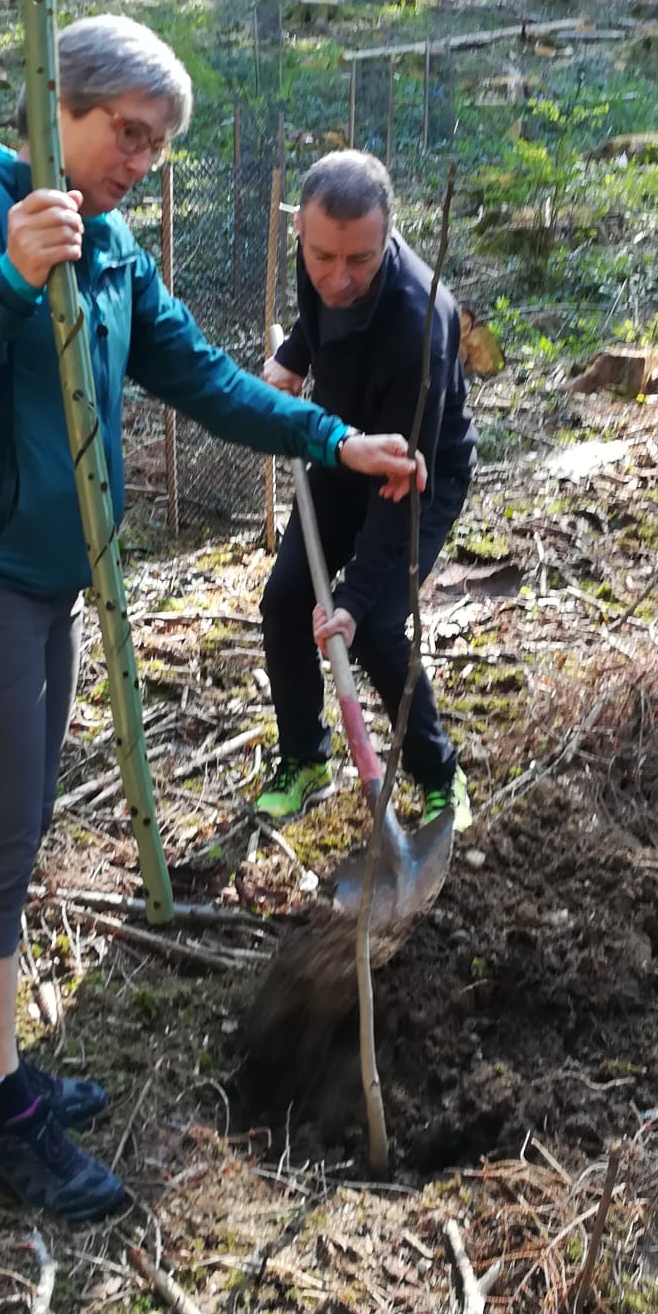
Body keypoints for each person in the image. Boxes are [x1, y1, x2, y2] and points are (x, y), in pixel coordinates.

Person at [0, 18, 424, 1219]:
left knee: (17, 818)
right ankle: (2, 1114)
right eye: (128, 133)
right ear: (58, 104)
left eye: (157, 148)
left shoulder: (110, 250)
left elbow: (208, 380)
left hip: (34, 586)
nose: (139, 164)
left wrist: (333, 438)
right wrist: (7, 277)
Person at [257, 149, 477, 831]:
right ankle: (305, 760)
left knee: (378, 625)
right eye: (323, 257)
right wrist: (294, 359)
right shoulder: (320, 255)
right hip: (342, 446)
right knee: (286, 602)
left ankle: (441, 776)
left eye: (359, 260)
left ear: (388, 238)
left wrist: (352, 599)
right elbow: (319, 318)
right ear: (303, 233)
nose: (338, 277)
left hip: (416, 472)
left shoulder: (420, 327)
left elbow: (404, 488)